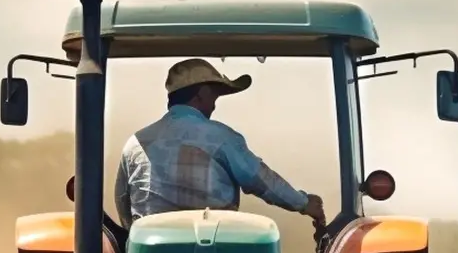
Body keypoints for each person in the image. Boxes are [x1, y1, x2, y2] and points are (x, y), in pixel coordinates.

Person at [114, 58, 326, 235]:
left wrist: (137, 237)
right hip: (214, 249)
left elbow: (123, 201)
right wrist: (304, 203)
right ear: (202, 93)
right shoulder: (221, 137)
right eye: (214, 95)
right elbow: (260, 180)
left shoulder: (135, 143)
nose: (214, 104)